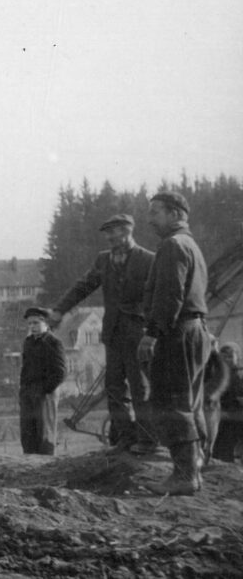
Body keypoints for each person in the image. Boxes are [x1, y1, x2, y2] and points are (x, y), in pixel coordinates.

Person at [49, 214, 156, 454]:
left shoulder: (149, 260)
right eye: (107, 234)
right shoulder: (103, 260)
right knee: (115, 388)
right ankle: (125, 439)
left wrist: (153, 330)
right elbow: (83, 286)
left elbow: (158, 298)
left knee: (141, 388)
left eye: (113, 233)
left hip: (138, 335)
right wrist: (59, 310)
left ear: (128, 232)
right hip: (113, 335)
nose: (108, 238)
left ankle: (148, 440)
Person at [137, 192, 210, 495]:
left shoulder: (172, 245)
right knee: (190, 402)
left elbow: (169, 296)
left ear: (175, 214)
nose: (150, 219)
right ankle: (195, 467)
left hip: (176, 333)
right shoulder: (189, 244)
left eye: (155, 212)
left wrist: (151, 334)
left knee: (171, 402)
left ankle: (185, 476)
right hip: (194, 331)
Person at [19, 307, 66, 455]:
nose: (32, 327)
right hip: (28, 395)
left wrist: (43, 390)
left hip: (45, 395)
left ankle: (47, 465)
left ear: (45, 323)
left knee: (44, 432)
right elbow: (25, 369)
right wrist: (24, 391)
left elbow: (61, 373)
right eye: (29, 324)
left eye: (35, 323)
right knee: (28, 432)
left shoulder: (54, 342)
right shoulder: (28, 342)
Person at [200, 333, 230, 467]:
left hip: (208, 399)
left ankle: (207, 453)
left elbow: (222, 378)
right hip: (203, 398)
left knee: (210, 429)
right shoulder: (200, 359)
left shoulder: (217, 361)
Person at [213, 343, 243, 463]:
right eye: (223, 356)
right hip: (221, 417)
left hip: (237, 417)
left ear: (238, 357)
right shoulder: (216, 375)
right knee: (220, 449)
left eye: (230, 356)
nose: (226, 359)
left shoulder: (240, 375)